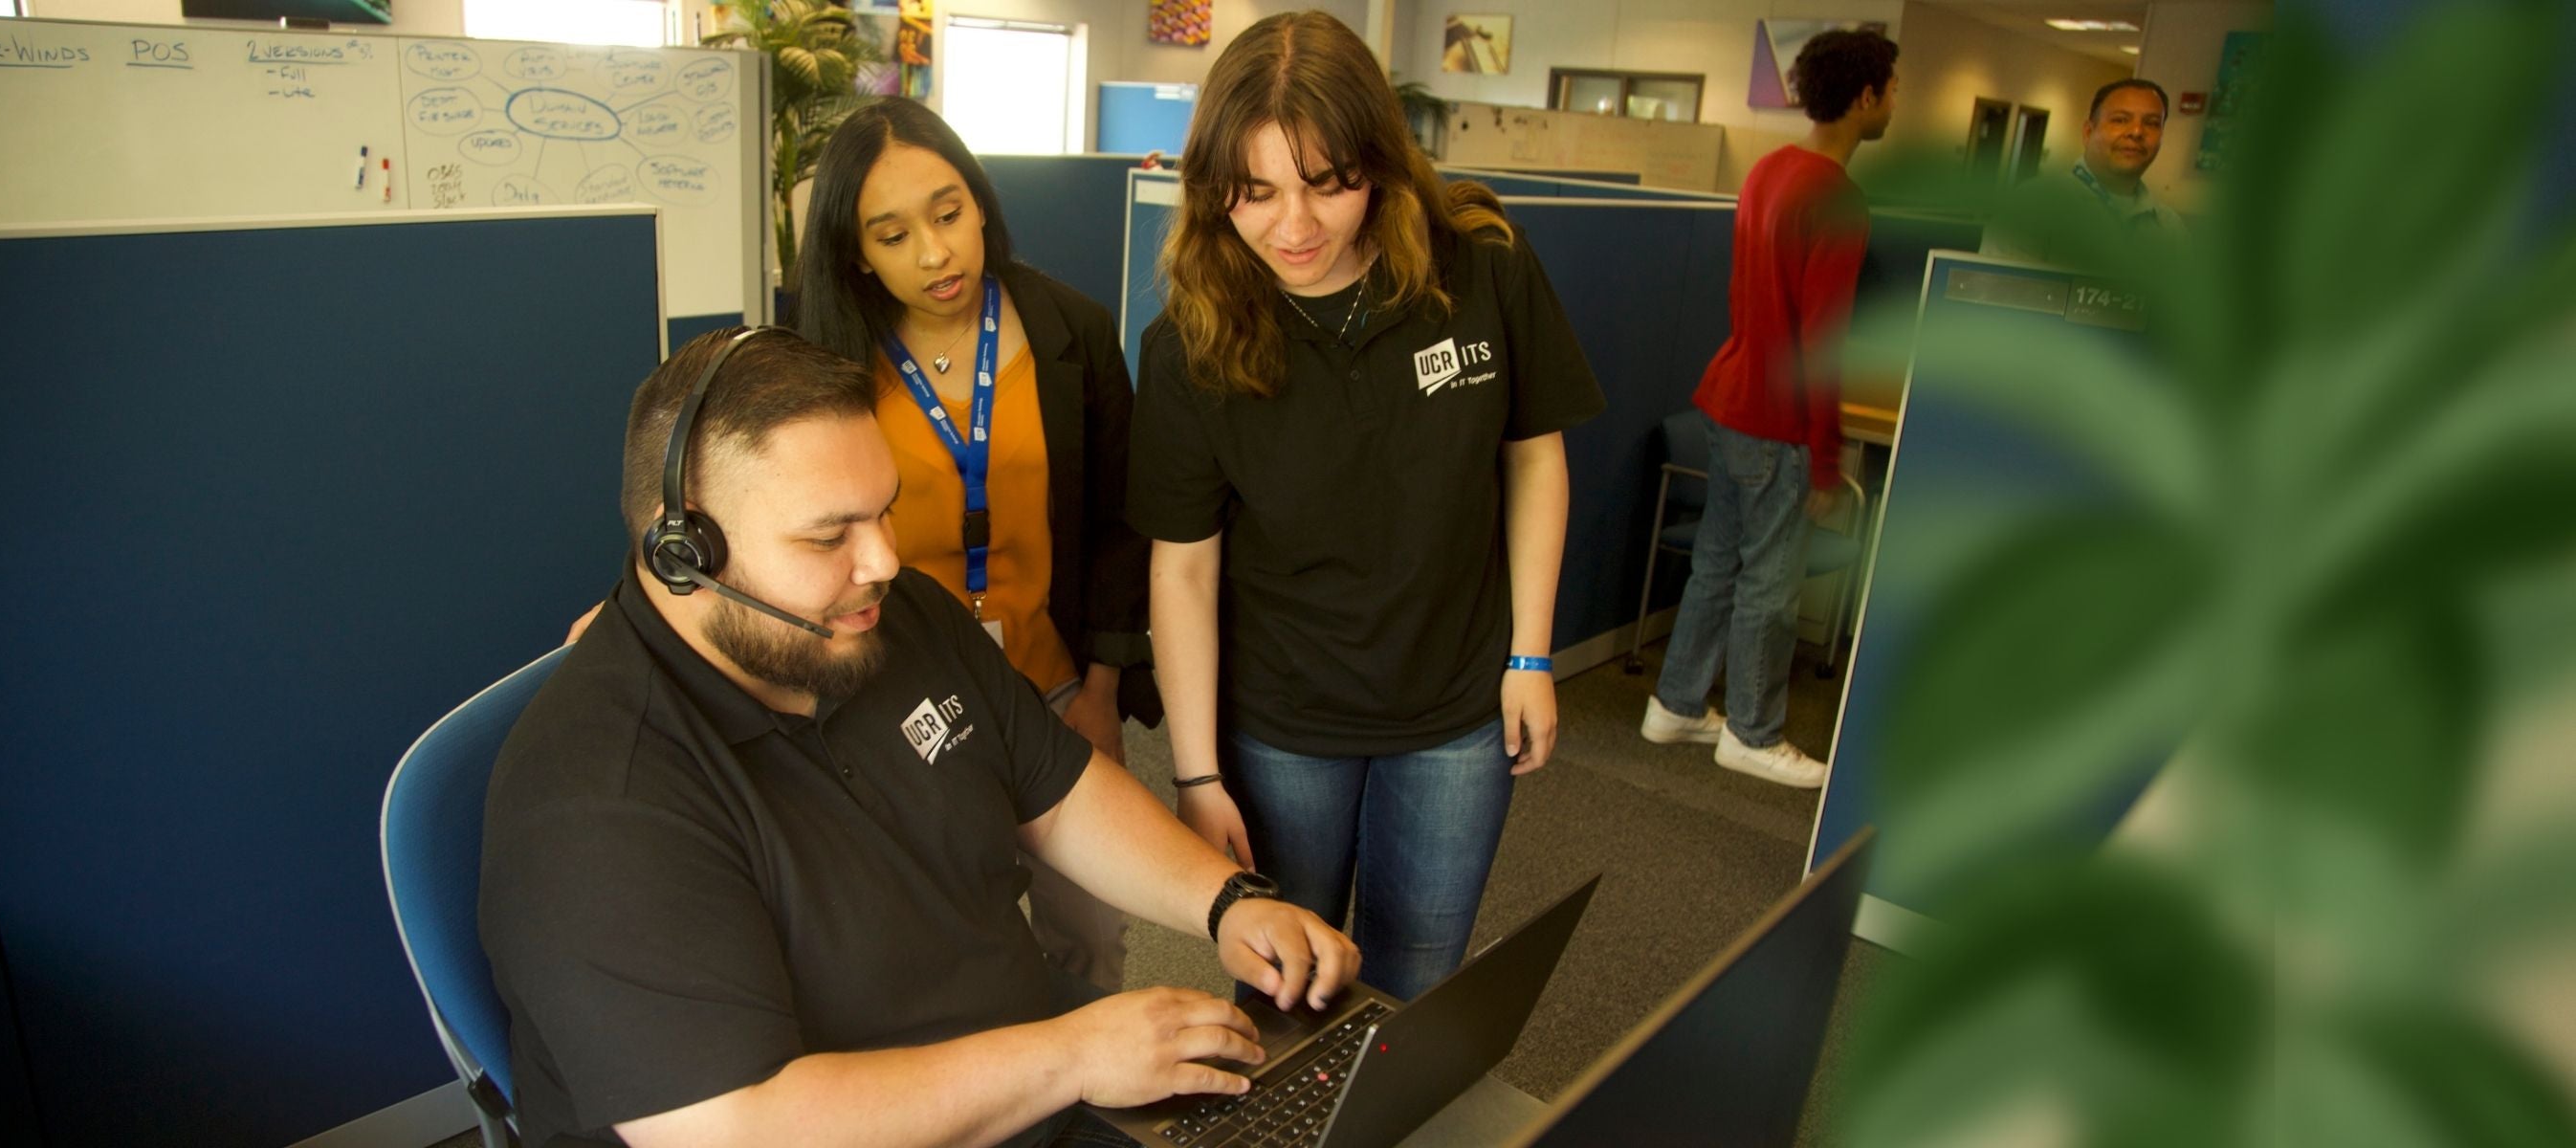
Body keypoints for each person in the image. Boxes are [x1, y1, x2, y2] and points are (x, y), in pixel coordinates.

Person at [482, 327, 1357, 1148]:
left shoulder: (887, 622)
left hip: (1017, 1080)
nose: (884, 562)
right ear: (684, 555)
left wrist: (1226, 899)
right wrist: (1074, 1056)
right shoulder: (597, 798)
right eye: (830, 537)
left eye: (883, 512)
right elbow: (740, 1126)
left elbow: (1056, 792)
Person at [1128, 11, 1602, 1004]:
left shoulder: (1481, 266)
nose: (1294, 227)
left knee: (1419, 976)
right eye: (1255, 192)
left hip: (1457, 705)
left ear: (1377, 165)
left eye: (1328, 184)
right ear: (1213, 186)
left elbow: (1534, 461)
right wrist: (1198, 773)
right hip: (1283, 716)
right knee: (1284, 982)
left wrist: (1530, 653)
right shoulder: (1190, 341)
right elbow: (1184, 567)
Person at [795, 97, 1151, 994]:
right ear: (855, 252)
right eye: (892, 235)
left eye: (948, 213)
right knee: (946, 951)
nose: (935, 253)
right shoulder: (824, 364)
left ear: (981, 201)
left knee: (1090, 939)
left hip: (1056, 680)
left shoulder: (1073, 330)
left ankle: (1090, 1120)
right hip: (900, 695)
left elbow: (1118, 526)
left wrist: (1103, 691)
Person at [1638, 28, 1899, 788]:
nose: (1895, 103)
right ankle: (1752, 732)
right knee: (1771, 587)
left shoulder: (1770, 170)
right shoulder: (1838, 199)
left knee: (1718, 563)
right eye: (1892, 89)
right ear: (1865, 97)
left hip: (1730, 396)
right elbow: (1821, 344)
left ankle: (1677, 703)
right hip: (1776, 419)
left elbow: (1747, 300)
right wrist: (1825, 458)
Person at [1980, 78, 2187, 265]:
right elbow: (1995, 296)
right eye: (2120, 120)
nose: (2136, 132)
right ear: (2088, 132)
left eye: (2151, 123)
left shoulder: (2169, 227)